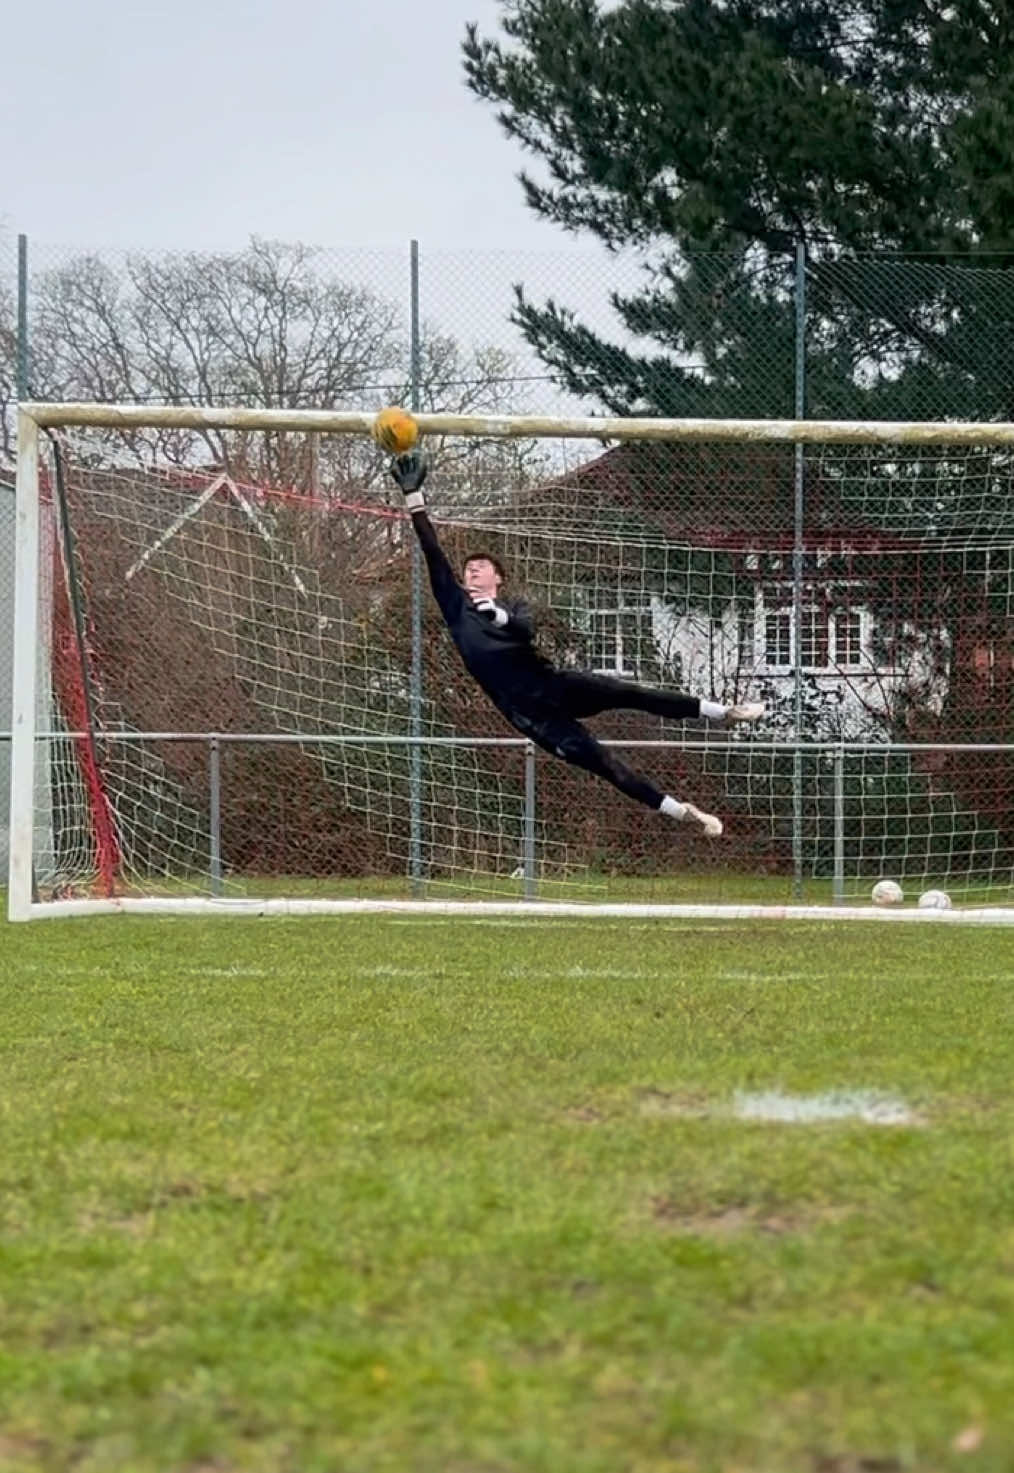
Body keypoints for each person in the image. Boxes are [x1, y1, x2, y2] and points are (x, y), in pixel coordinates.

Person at [390, 450, 764, 837]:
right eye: (468, 567)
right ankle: (683, 812)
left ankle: (725, 713)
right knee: (606, 764)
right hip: (530, 715)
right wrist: (414, 497)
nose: (472, 568)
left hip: (554, 685)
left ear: (497, 577)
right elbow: (433, 552)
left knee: (630, 692)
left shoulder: (514, 606)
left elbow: (524, 630)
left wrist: (496, 613)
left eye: (481, 565)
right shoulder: (456, 606)